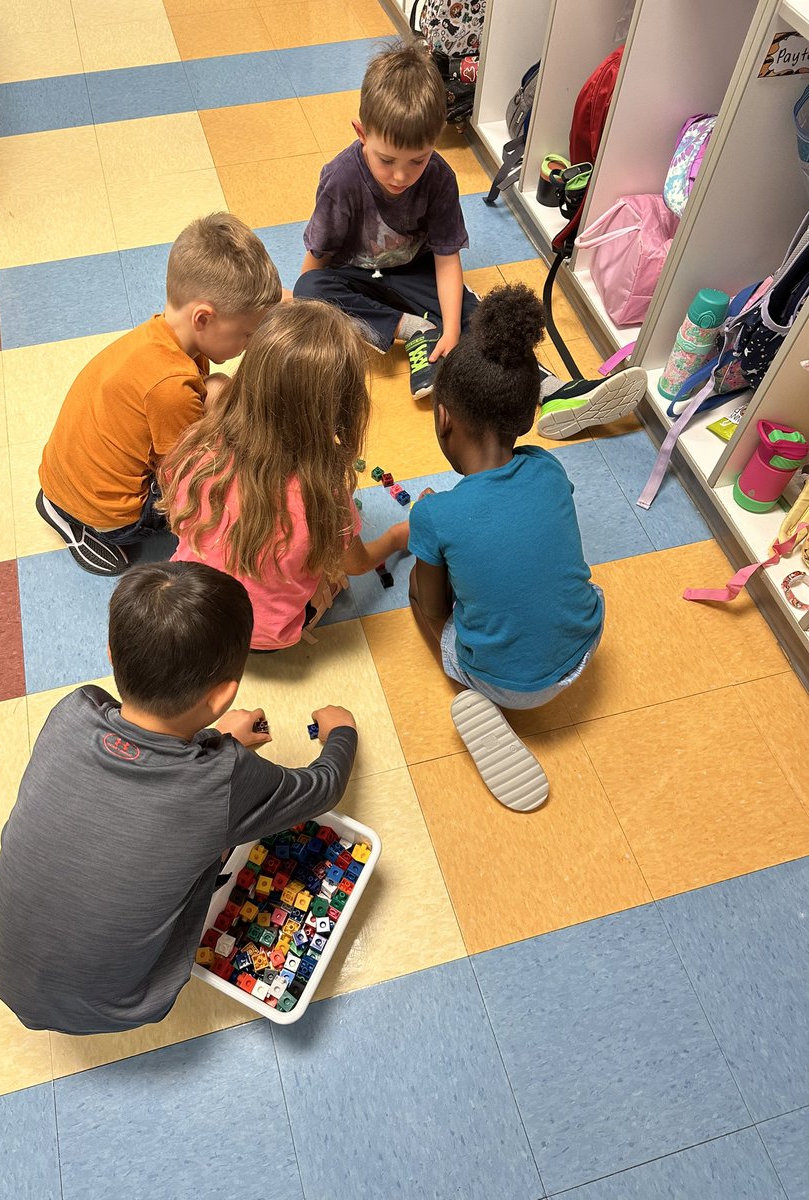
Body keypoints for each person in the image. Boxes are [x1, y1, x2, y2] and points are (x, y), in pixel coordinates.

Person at [0, 561, 358, 1035]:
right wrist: (342, 731)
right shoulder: (223, 778)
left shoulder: (72, 712)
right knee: (209, 845)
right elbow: (324, 787)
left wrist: (213, 739)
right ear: (224, 696)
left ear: (112, 655)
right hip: (121, 1004)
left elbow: (139, 766)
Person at [293, 39, 647, 428]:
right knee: (309, 290)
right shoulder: (341, 179)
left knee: (474, 316)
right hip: (356, 276)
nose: (400, 175)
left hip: (416, 272)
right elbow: (318, 259)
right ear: (361, 133)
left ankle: (551, 390)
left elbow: (447, 260)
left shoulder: (440, 177)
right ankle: (414, 330)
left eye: (417, 160)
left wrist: (450, 328)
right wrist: (301, 312)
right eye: (386, 160)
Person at [407, 284, 605, 811]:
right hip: (585, 650)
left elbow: (435, 607)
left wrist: (429, 530)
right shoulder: (548, 465)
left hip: (509, 685)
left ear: (443, 417)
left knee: (415, 588)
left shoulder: (435, 512)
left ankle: (472, 693)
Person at [36, 213, 282, 577]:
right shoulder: (171, 388)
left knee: (218, 390)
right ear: (203, 318)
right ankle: (77, 521)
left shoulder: (165, 337)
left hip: (75, 469)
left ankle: (66, 499)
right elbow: (183, 479)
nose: (248, 346)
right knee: (225, 492)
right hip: (110, 510)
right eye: (246, 335)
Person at [159, 300, 409, 652]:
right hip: (263, 638)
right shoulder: (323, 497)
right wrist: (398, 537)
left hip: (193, 609)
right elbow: (358, 564)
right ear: (340, 409)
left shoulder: (196, 444)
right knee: (333, 575)